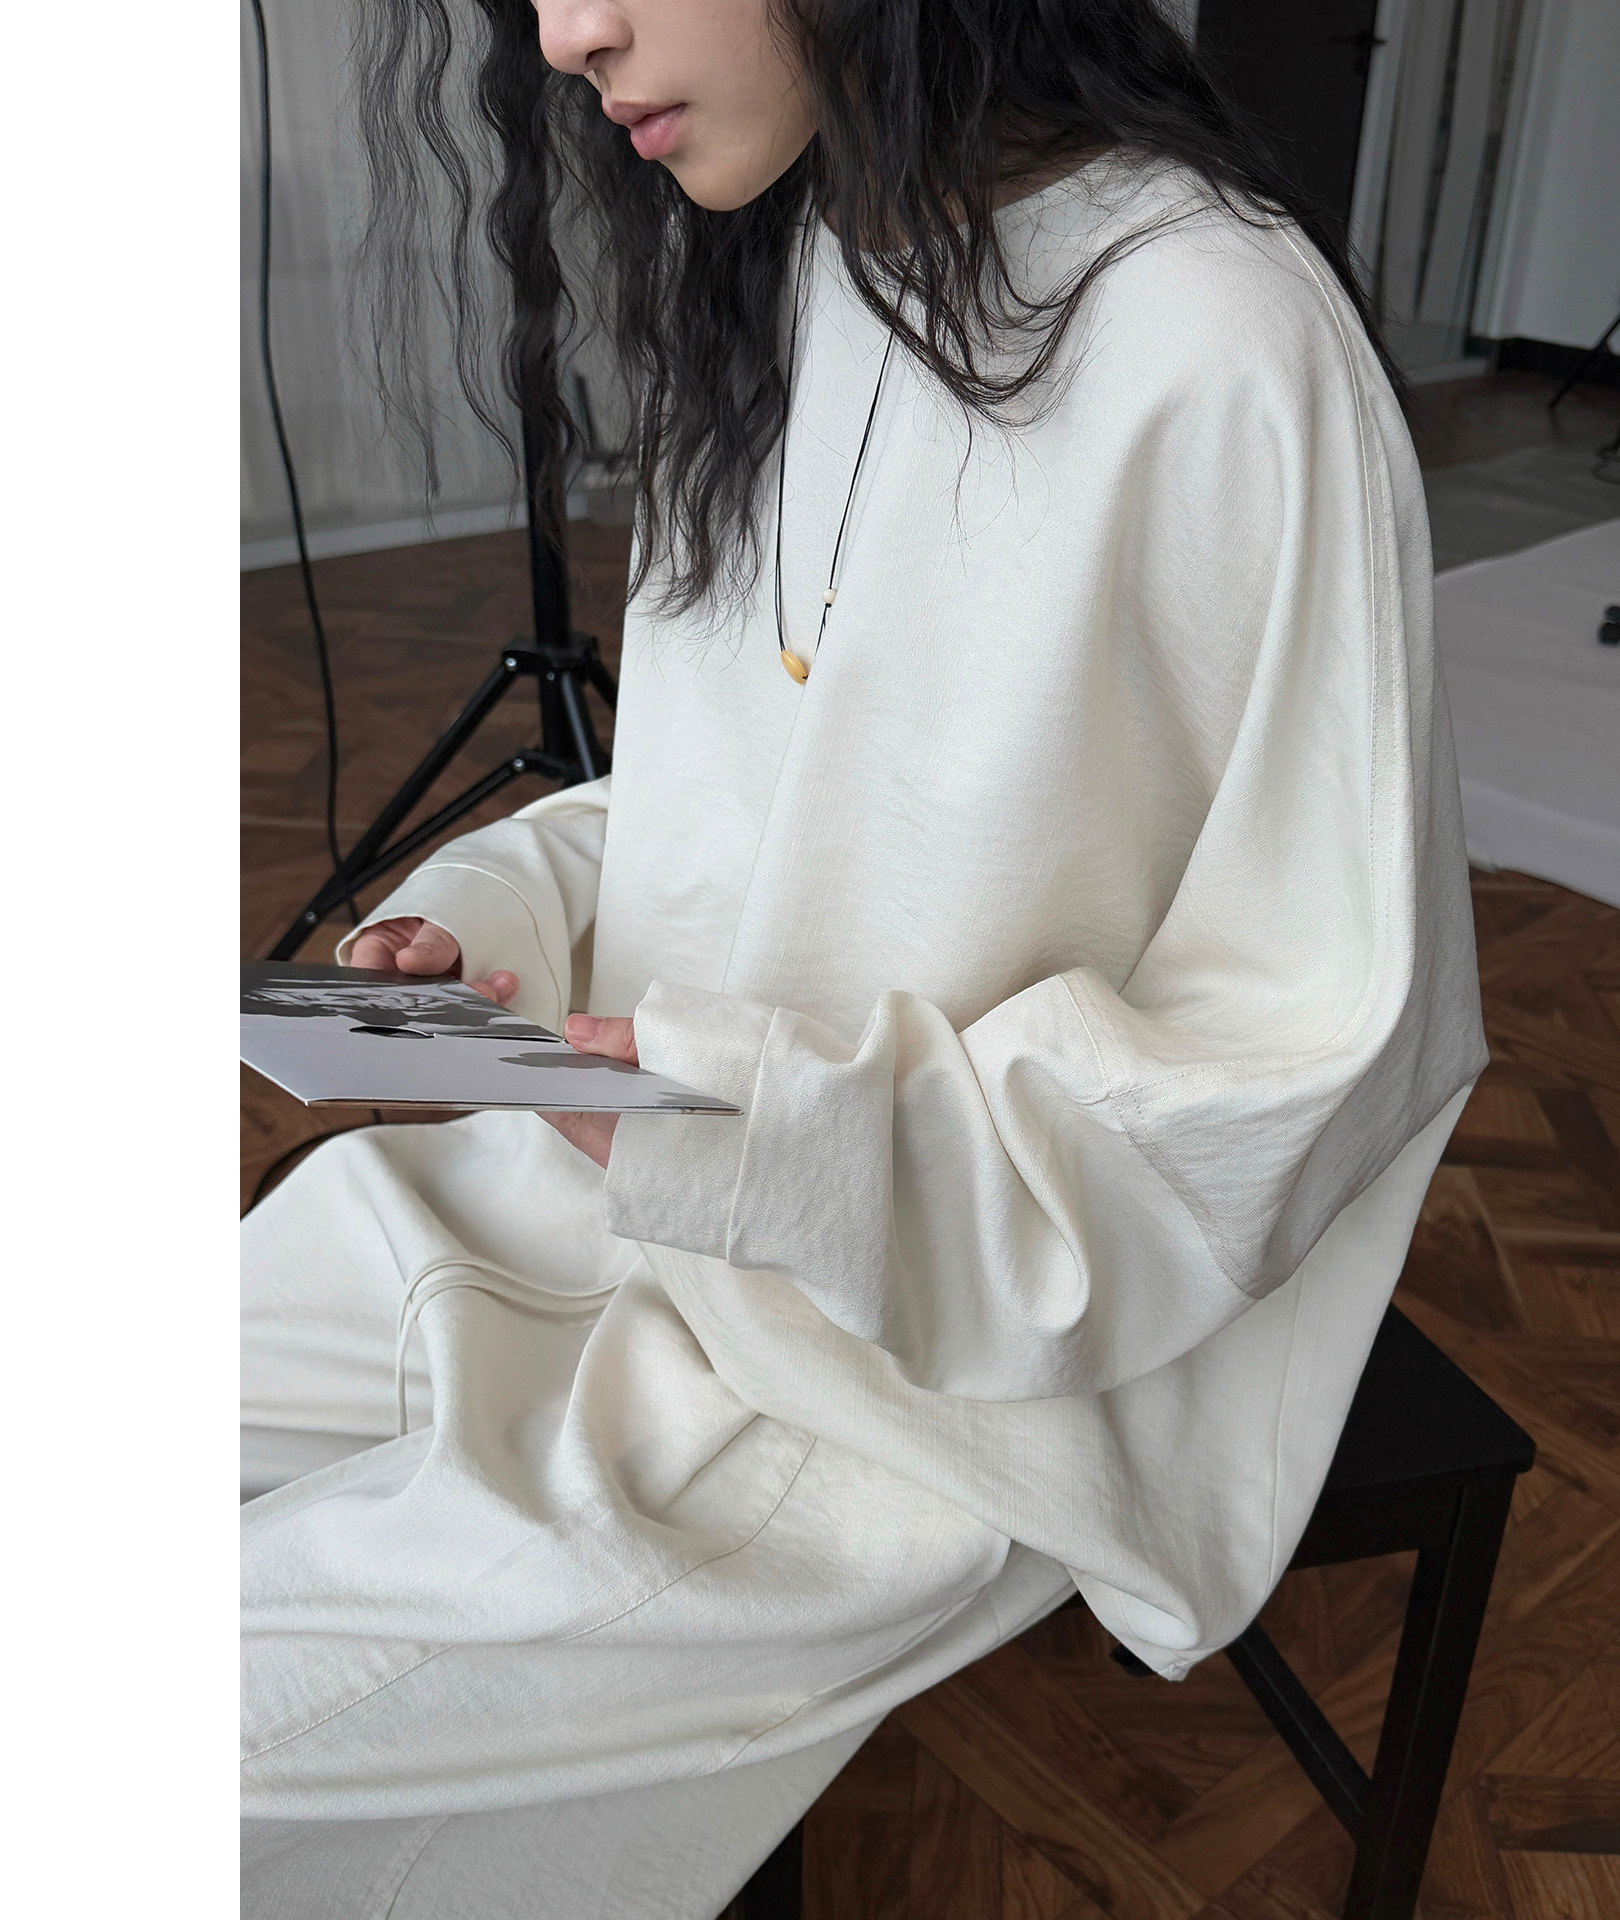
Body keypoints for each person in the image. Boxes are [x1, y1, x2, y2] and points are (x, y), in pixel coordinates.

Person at [241, 0, 1486, 1893]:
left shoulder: (1219, 336)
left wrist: (733, 1129)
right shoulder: (803, 258)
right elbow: (725, 795)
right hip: (595, 1196)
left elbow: (1303, 1056)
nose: (568, 34)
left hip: (922, 1384)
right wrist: (483, 929)